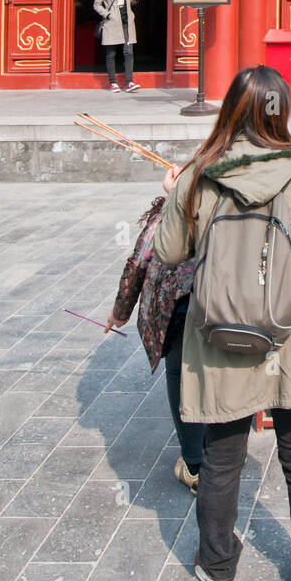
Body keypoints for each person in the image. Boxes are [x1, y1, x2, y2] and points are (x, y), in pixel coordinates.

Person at [151, 65, 291, 581]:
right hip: (288, 333)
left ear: (230, 108)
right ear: (282, 111)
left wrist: (175, 194)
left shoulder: (201, 170)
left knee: (221, 455)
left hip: (218, 330)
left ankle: (218, 568)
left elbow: (169, 252)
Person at [104, 195, 206, 495]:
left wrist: (120, 311)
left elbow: (140, 258)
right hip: (223, 303)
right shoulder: (231, 194)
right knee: (216, 374)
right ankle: (219, 457)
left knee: (181, 376)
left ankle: (195, 465)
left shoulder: (175, 202)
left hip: (180, 303)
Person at [94, 0, 142, 92]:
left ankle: (129, 82)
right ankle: (112, 82)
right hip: (112, 20)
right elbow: (96, 5)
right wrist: (107, 14)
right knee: (111, 53)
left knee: (128, 52)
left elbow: (130, 4)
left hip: (126, 18)